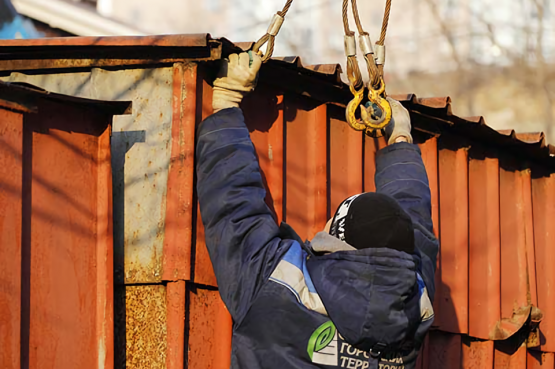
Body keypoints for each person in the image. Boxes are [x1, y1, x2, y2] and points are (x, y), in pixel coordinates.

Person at [196, 51, 439, 369]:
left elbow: (233, 208)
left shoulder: (276, 283)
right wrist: (401, 139)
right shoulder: (416, 304)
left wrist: (226, 102)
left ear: (334, 239)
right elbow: (416, 225)